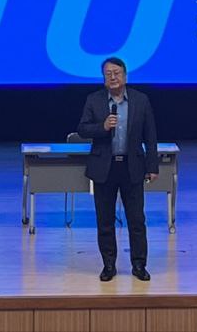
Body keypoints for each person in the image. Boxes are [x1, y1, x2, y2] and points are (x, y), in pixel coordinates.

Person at [77, 56, 159, 281]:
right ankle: (109, 265)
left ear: (125, 75)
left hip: (132, 167)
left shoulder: (141, 100)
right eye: (108, 74)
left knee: (136, 220)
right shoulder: (94, 100)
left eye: (116, 73)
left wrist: (152, 166)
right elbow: (82, 129)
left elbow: (151, 136)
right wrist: (102, 127)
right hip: (104, 167)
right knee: (105, 220)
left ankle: (139, 265)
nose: (113, 77)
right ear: (103, 79)